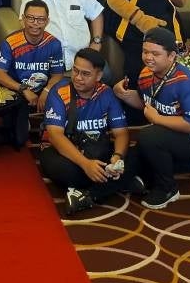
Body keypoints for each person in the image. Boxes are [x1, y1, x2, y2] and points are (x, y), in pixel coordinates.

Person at [114, 28, 190, 209]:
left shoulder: (187, 82)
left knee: (149, 137)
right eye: (145, 52)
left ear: (171, 56)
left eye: (155, 54)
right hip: (167, 131)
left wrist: (157, 119)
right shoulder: (146, 73)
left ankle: (168, 189)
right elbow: (145, 103)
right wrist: (123, 95)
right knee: (134, 158)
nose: (148, 58)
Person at [40, 48, 142, 213]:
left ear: (99, 76)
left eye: (85, 74)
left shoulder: (106, 93)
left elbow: (121, 133)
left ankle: (88, 194)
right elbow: (55, 136)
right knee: (68, 172)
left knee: (137, 154)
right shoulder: (59, 92)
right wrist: (85, 164)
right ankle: (119, 182)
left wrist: (117, 157)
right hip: (64, 152)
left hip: (97, 148)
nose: (78, 77)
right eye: (75, 70)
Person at [0, 0, 65, 148]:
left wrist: (47, 91)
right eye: (31, 18)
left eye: (40, 19)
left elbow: (57, 75)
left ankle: (54, 130)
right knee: (19, 140)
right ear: (23, 19)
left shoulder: (54, 44)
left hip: (43, 89)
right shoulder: (10, 42)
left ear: (47, 21)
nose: (35, 23)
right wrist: (23, 89)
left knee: (65, 87)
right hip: (17, 90)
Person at [20, 0, 104, 69]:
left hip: (83, 58)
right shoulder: (30, 1)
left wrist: (96, 42)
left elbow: (97, 14)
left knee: (107, 75)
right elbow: (26, 28)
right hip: (48, 62)